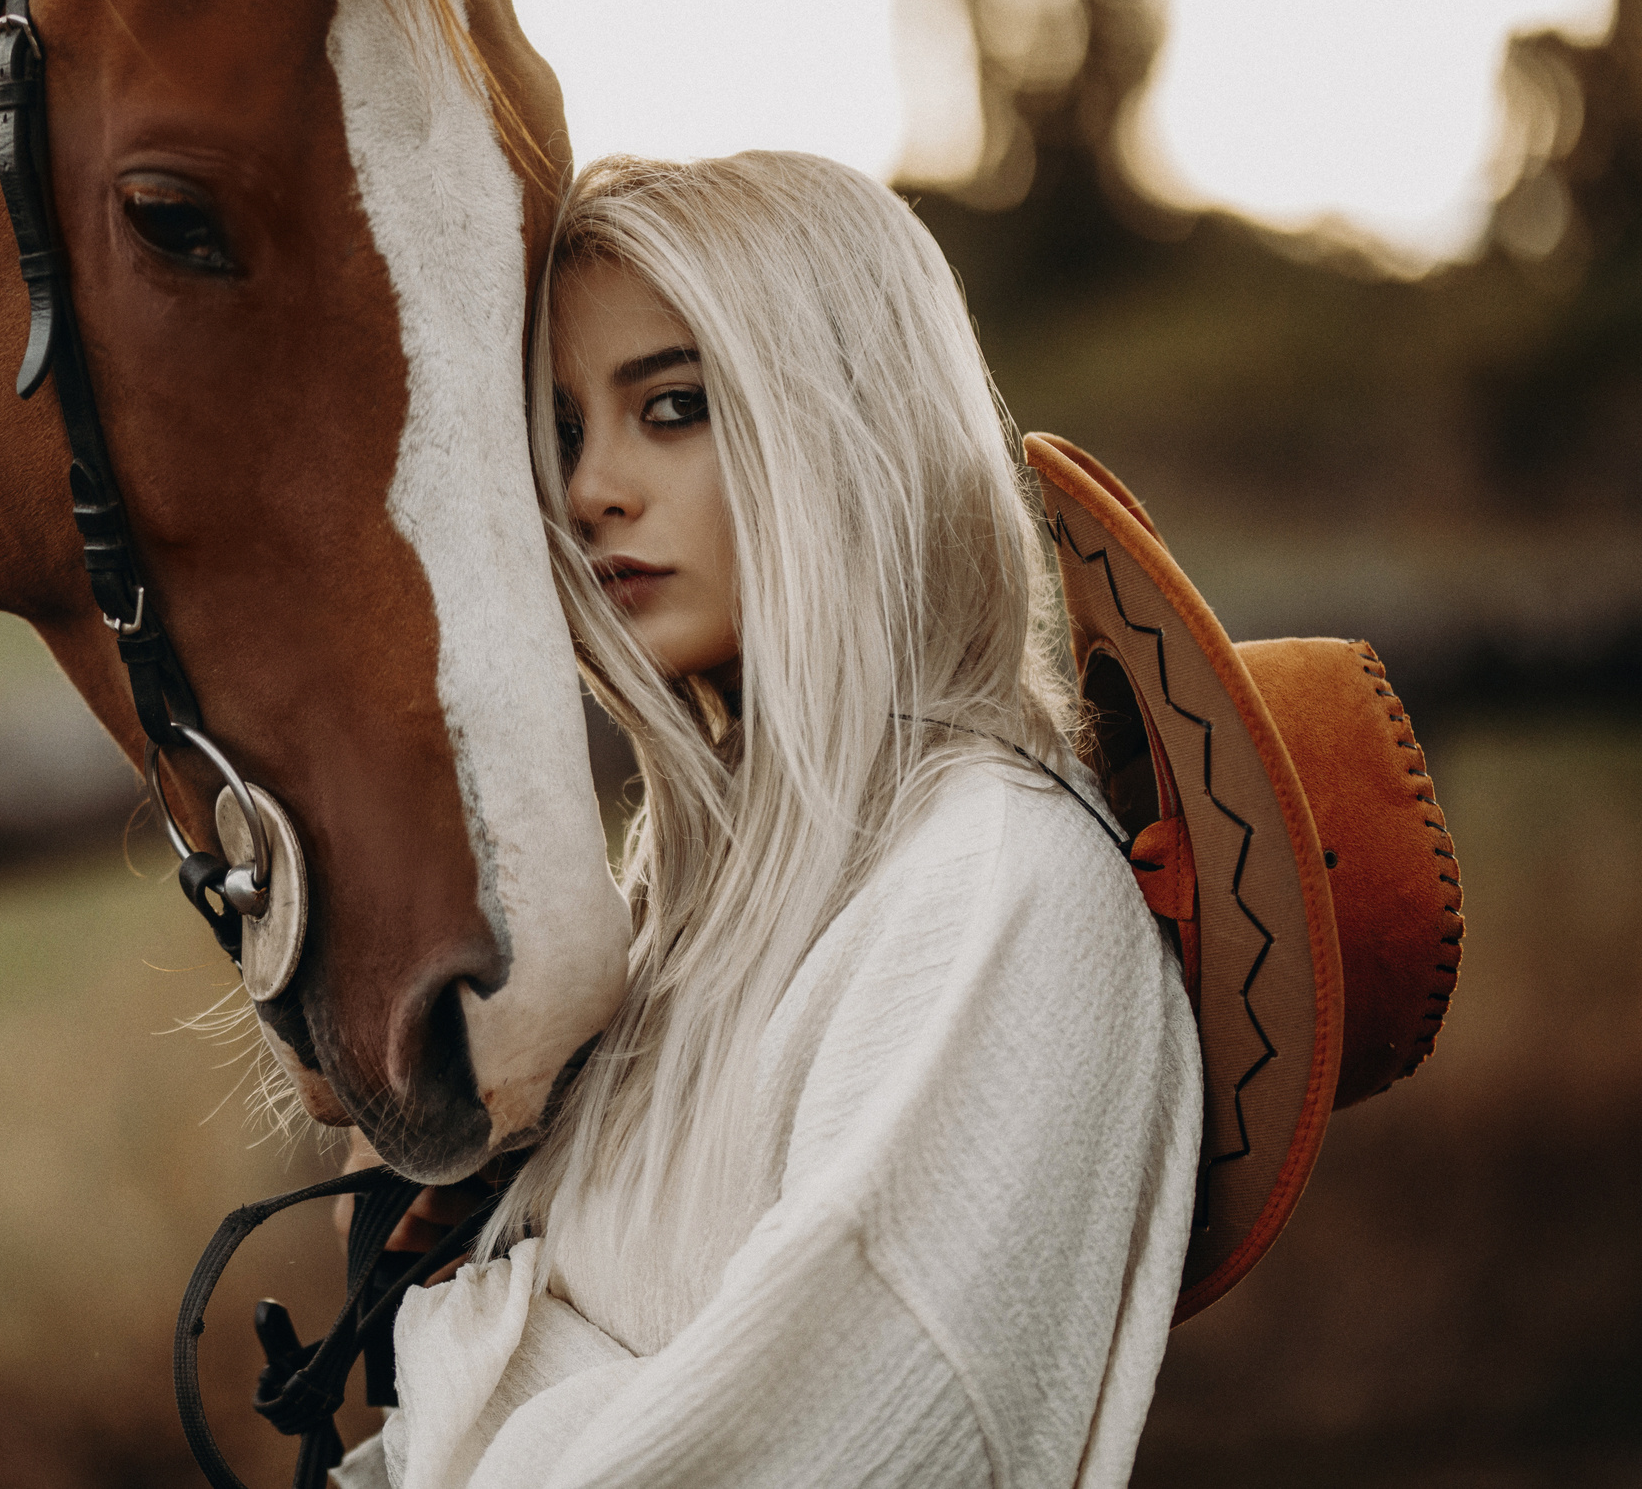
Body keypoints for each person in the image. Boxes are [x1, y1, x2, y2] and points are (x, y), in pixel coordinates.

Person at [331, 151, 1201, 1489]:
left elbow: (812, 1456)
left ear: (848, 419)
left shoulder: (993, 887)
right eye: (561, 432)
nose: (590, 492)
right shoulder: (683, 903)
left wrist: (464, 1368)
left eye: (672, 407)